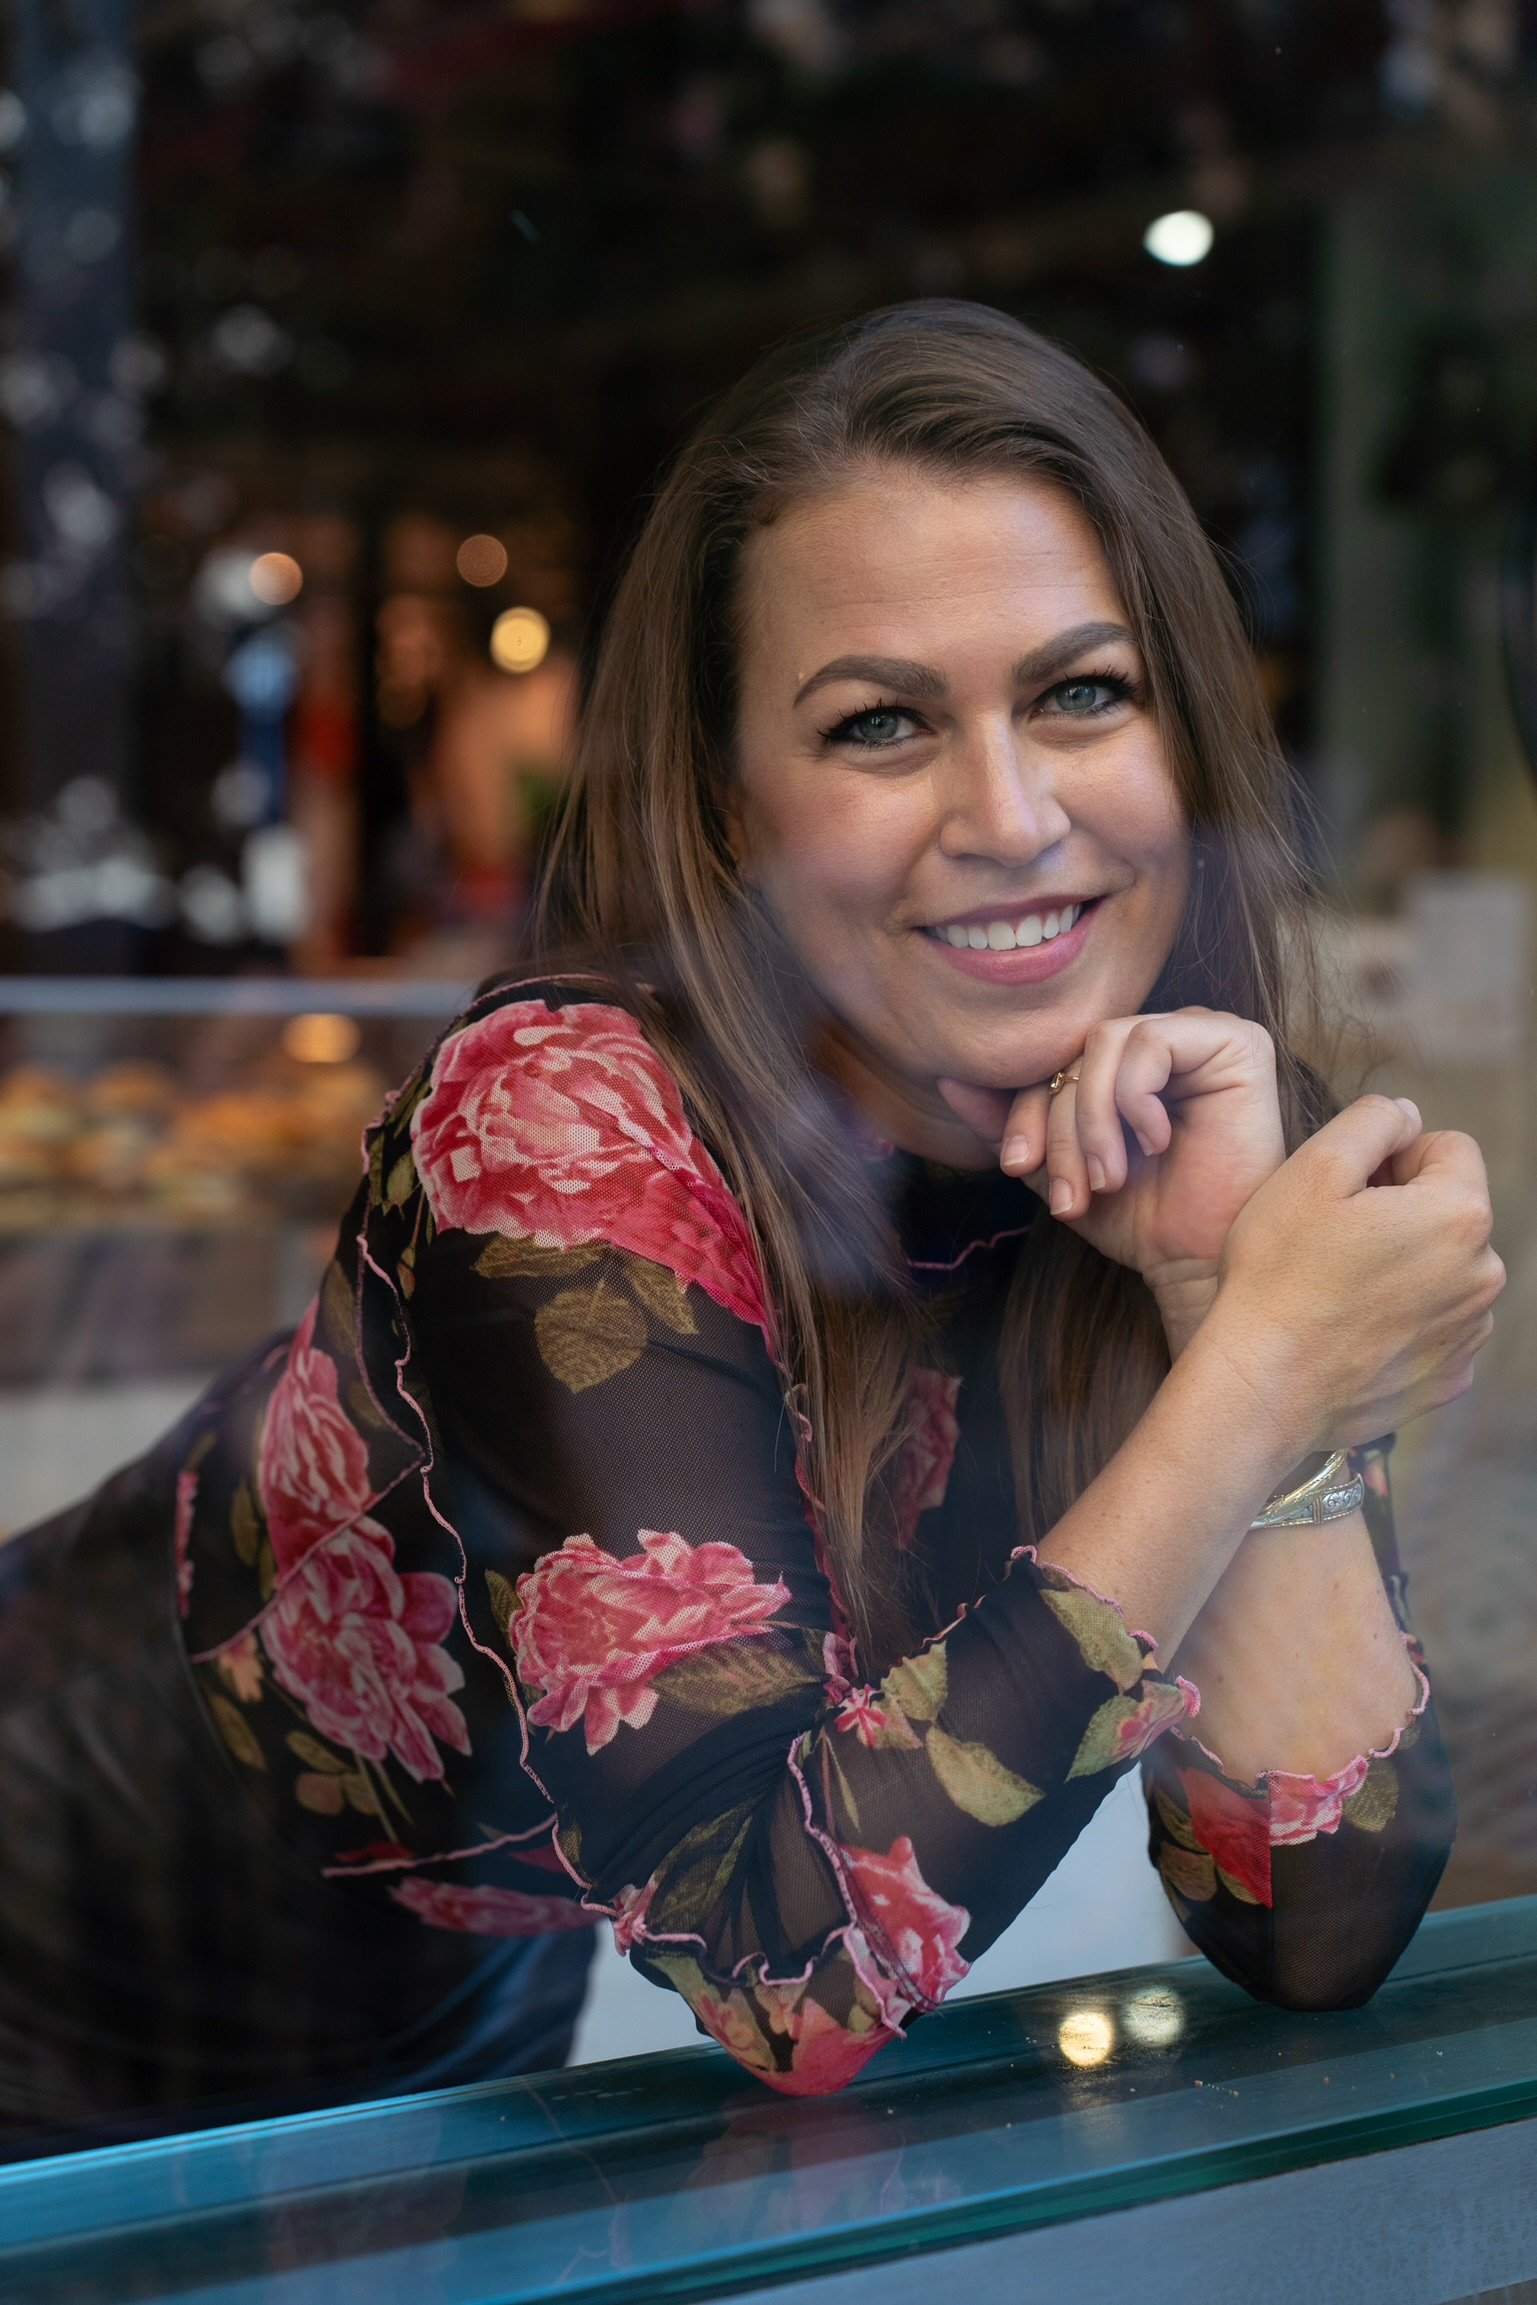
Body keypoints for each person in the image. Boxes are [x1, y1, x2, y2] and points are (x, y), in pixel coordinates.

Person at [0, 303, 1498, 2134]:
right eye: (880, 724)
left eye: (1079, 692)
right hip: (46, 1922)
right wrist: (1262, 1367)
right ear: (730, 807)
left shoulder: (1210, 1137)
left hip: (425, 2034)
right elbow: (782, 1967)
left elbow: (1315, 1929)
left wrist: (1224, 1315)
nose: (1011, 814)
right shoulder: (561, 1119)